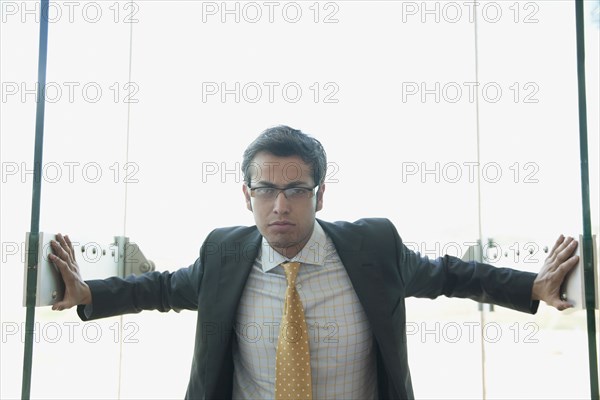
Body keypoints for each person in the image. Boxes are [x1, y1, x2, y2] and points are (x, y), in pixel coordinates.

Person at [49, 125, 579, 400]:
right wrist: (87, 293)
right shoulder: (223, 253)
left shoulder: (372, 247)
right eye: (266, 190)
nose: (280, 205)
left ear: (319, 196)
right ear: (246, 194)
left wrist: (532, 287)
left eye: (296, 190)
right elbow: (160, 288)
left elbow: (448, 275)